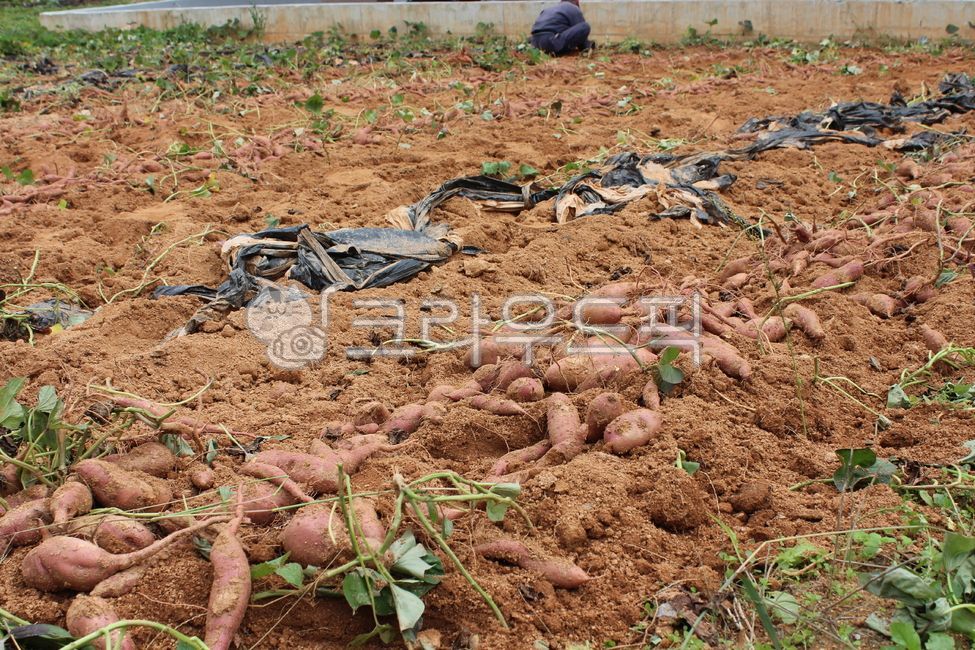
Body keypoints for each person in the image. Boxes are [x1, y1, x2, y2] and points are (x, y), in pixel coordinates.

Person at [530, 0, 594, 56]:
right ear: (577, 2)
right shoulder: (573, 8)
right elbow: (582, 42)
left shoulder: (549, 9)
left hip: (535, 43)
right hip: (550, 43)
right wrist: (588, 46)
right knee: (585, 26)